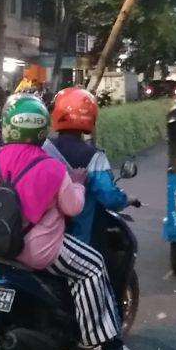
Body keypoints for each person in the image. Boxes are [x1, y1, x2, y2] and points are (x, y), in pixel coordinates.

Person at [0, 94, 144, 350]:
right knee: (93, 267)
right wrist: (77, 184)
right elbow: (74, 208)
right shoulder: (54, 169)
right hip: (39, 251)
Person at [43, 87, 134, 246]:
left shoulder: (43, 148)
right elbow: (109, 197)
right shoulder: (94, 157)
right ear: (91, 116)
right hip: (78, 244)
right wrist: (127, 199)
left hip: (43, 240)